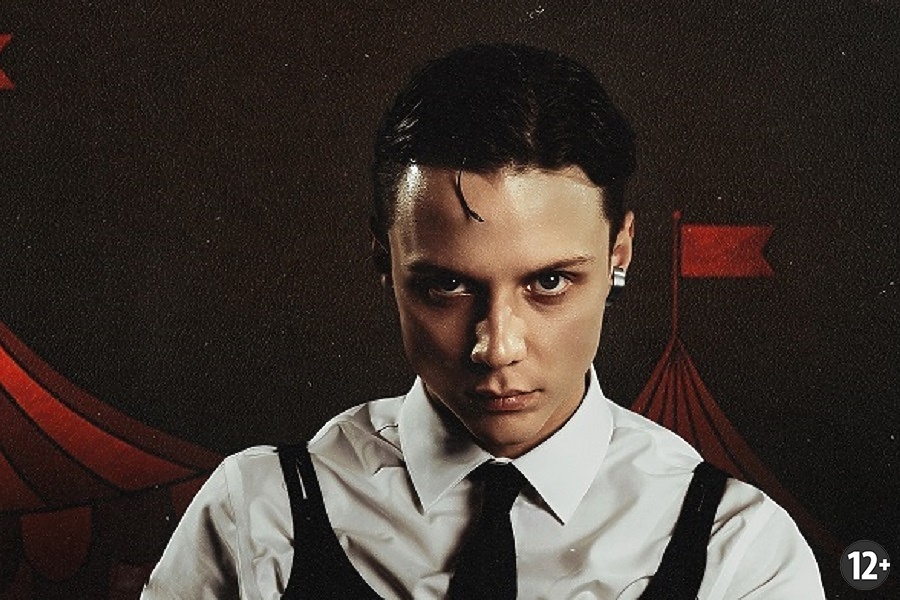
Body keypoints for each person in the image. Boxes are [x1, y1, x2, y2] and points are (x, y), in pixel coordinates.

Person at [142, 43, 825, 599]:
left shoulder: (737, 550)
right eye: (446, 285)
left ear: (619, 254)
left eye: (549, 283)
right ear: (384, 259)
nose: (497, 347)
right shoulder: (259, 518)